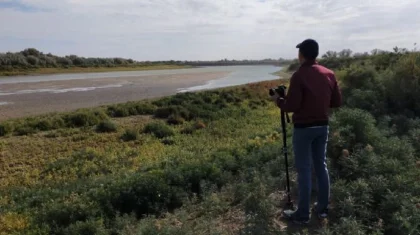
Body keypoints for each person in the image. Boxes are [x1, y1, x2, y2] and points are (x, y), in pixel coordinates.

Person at [271, 39, 342, 224]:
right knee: (321, 166)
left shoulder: (299, 75)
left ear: (301, 54)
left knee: (303, 170)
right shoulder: (329, 73)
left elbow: (292, 106)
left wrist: (278, 100)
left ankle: (302, 215)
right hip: (323, 126)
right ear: (316, 54)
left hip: (304, 129)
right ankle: (322, 209)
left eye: (299, 52)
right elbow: (336, 102)